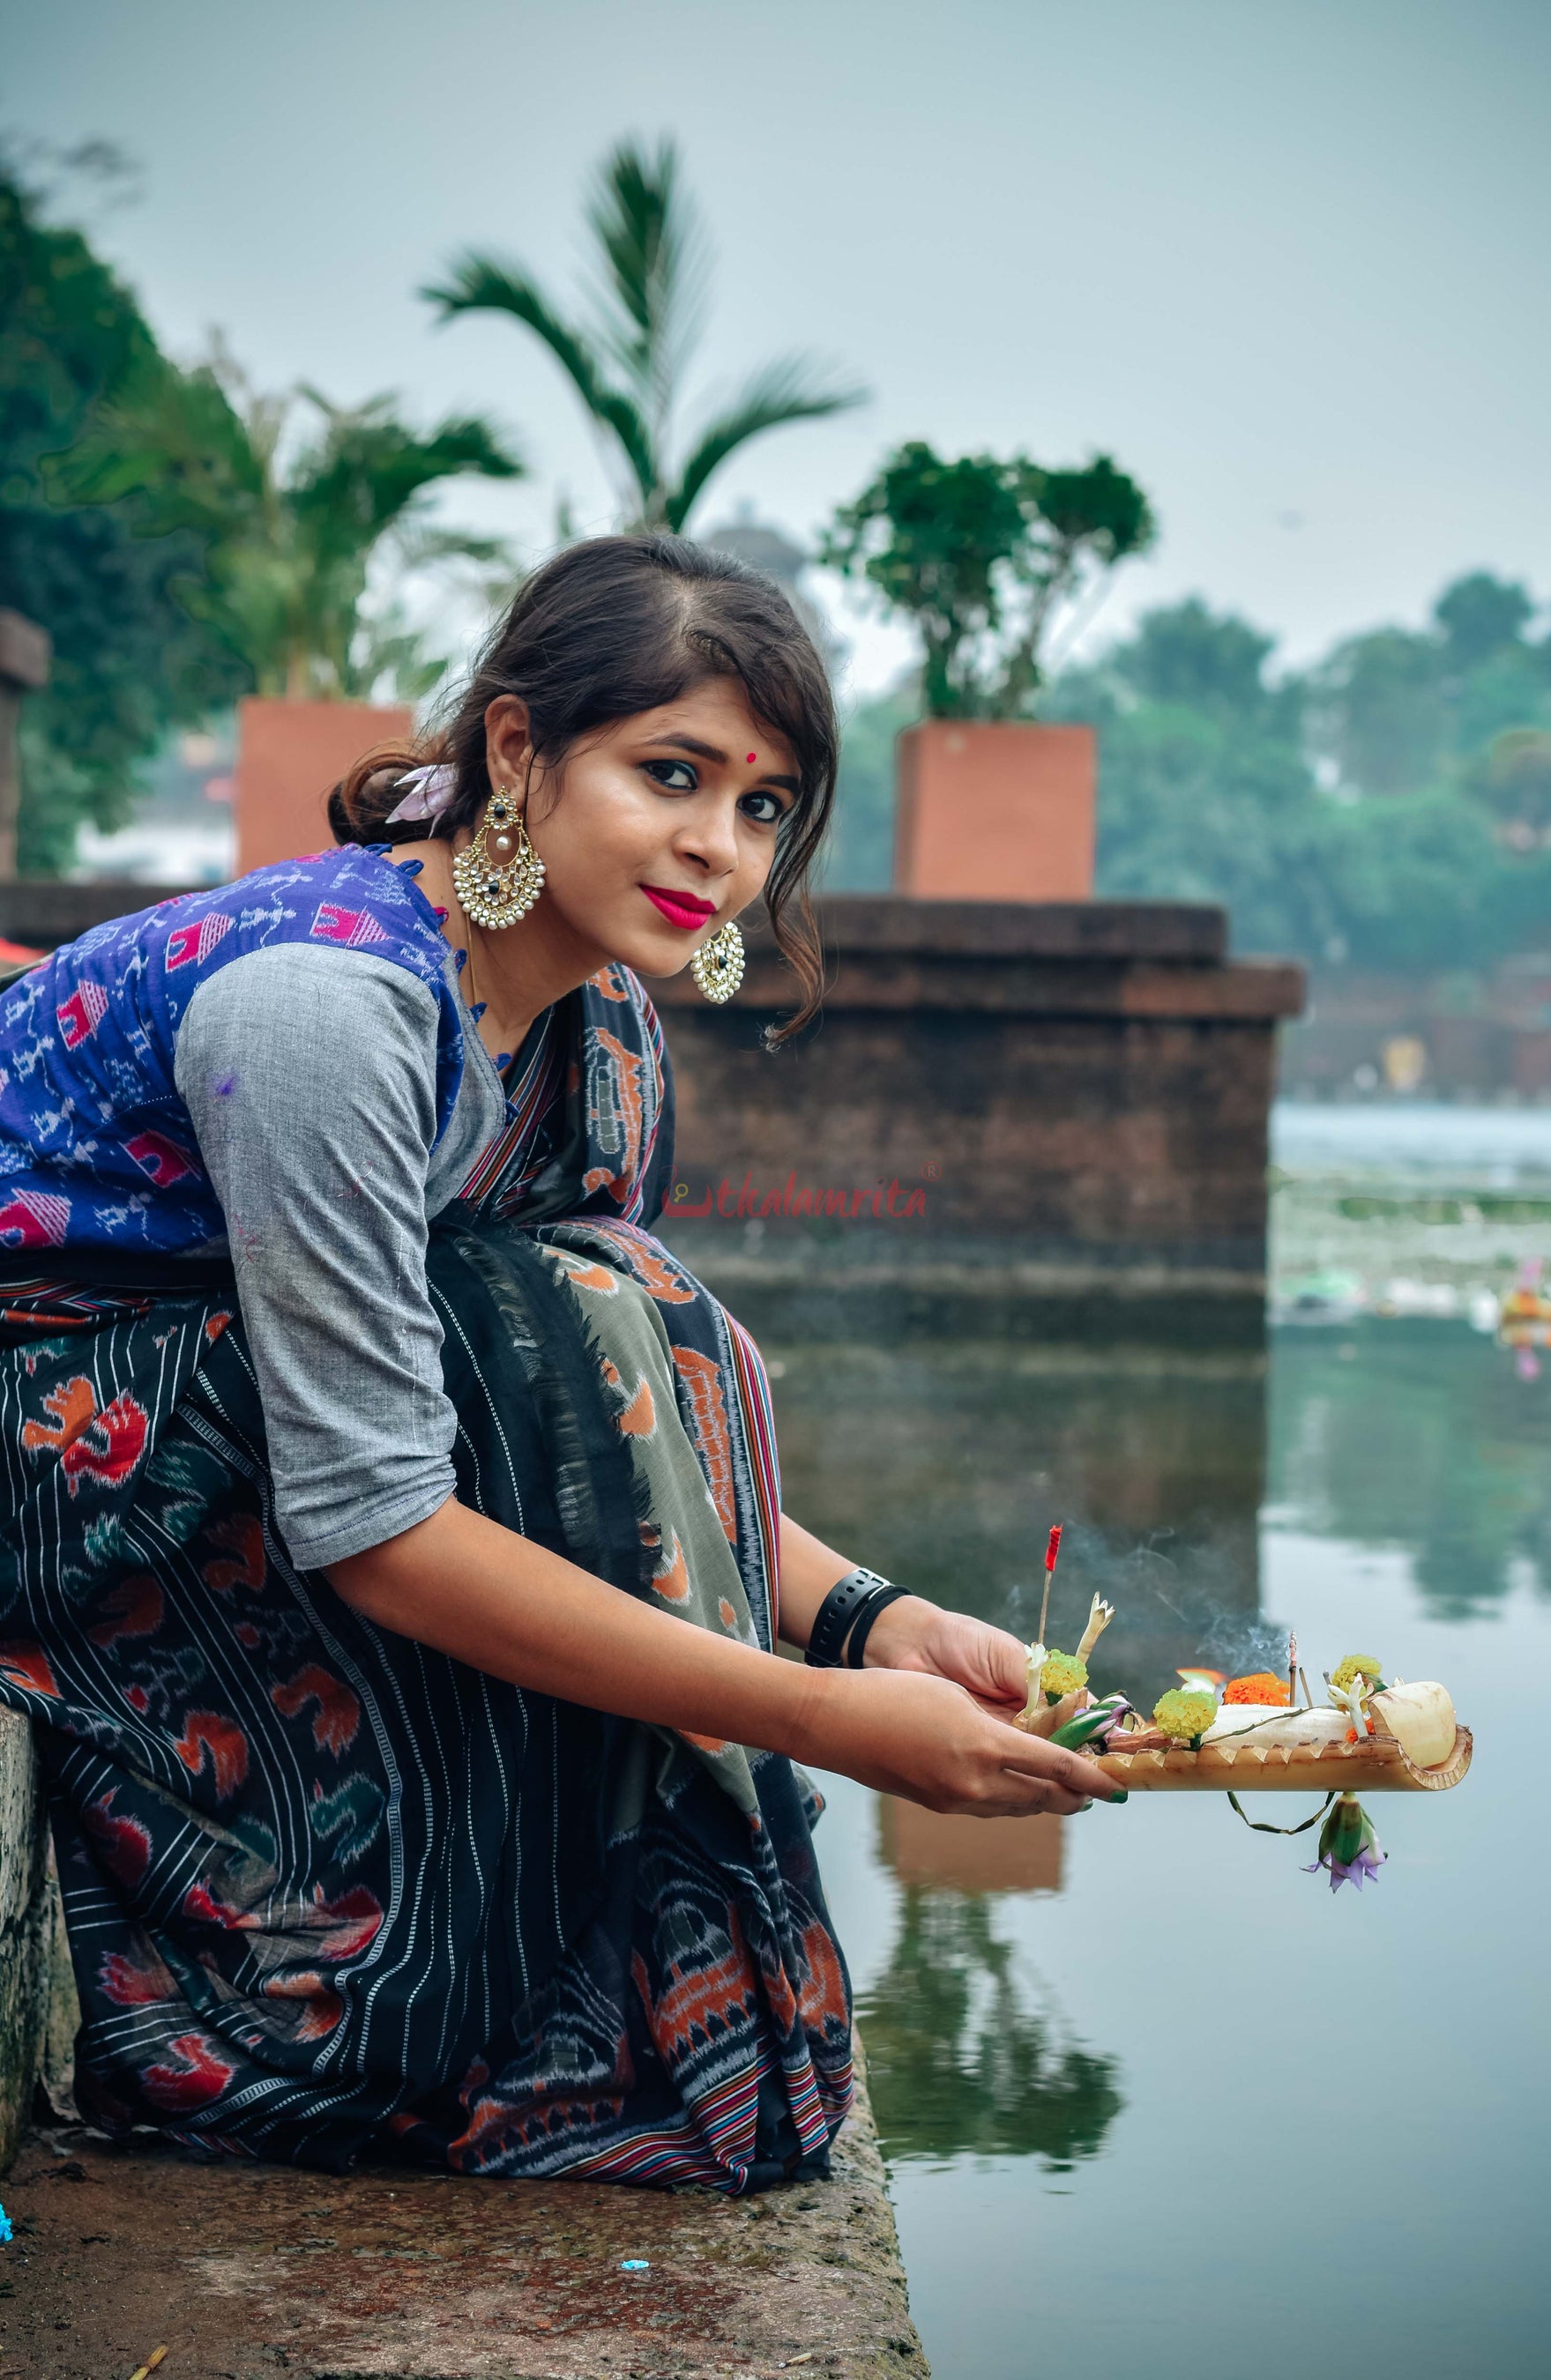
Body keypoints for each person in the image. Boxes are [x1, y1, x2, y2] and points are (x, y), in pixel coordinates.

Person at [0, 534, 1113, 2190]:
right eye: (672, 775)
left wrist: (887, 1624)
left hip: (247, 1419)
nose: (719, 851)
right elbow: (379, 1515)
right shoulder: (329, 1013)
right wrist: (825, 1720)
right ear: (516, 753)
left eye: (763, 806)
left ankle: (593, 2009)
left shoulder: (600, 1025)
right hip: (61, 1420)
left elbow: (631, 1418)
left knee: (624, 1307)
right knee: (568, 1316)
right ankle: (344, 2020)